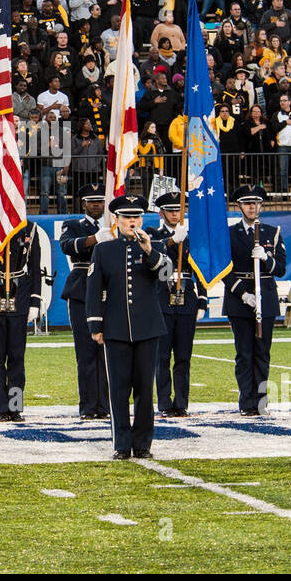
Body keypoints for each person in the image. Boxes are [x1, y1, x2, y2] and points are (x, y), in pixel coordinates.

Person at [86, 193, 172, 460]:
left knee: (145, 389)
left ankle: (143, 443)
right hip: (116, 328)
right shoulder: (104, 250)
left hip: (147, 327)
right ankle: (121, 444)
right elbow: (93, 288)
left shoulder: (155, 246)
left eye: (136, 217)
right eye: (127, 217)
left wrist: (148, 250)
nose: (132, 222)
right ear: (117, 219)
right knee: (119, 389)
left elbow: (166, 274)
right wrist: (95, 324)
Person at [223, 185, 287, 416]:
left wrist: (267, 258)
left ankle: (261, 402)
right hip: (240, 298)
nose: (252, 207)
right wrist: (243, 294)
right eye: (247, 203)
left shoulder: (272, 232)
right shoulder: (229, 233)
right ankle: (246, 403)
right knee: (244, 354)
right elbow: (224, 270)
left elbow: (280, 269)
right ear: (239, 206)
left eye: (256, 203)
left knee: (262, 352)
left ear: (261, 205)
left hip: (266, 295)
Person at [0, 217, 43, 422]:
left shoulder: (30, 228)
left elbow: (35, 266)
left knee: (17, 357)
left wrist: (35, 301)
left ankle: (15, 406)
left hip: (20, 295)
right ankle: (1, 408)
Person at [148, 192, 203, 418]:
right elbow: (152, 251)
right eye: (170, 210)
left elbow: (200, 268)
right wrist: (172, 241)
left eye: (178, 210)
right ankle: (164, 403)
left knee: (183, 356)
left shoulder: (191, 236)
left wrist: (202, 299)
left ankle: (181, 403)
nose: (174, 214)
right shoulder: (153, 233)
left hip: (186, 298)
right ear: (161, 213)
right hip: (162, 297)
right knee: (162, 356)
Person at [59, 181, 110, 420]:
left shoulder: (114, 226)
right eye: (93, 201)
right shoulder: (73, 225)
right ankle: (89, 406)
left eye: (101, 201)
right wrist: (95, 239)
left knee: (109, 351)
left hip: (108, 291)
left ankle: (107, 405)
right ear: (84, 204)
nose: (98, 205)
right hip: (82, 289)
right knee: (86, 351)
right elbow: (67, 246)